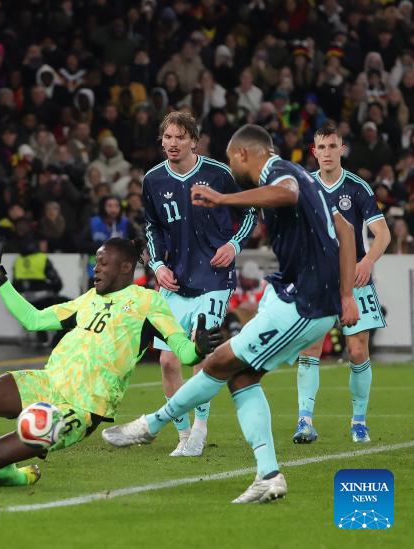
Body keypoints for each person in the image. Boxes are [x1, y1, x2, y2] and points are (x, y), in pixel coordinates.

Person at [102, 125, 360, 504]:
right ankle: (268, 475)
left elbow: (286, 193)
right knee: (241, 377)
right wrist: (347, 294)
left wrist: (224, 198)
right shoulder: (305, 176)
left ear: (242, 155)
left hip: (303, 303)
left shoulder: (278, 172)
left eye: (230, 159)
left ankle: (151, 424)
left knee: (217, 362)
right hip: (300, 297)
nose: (229, 167)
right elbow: (346, 230)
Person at [0, 231, 220, 486]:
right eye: (95, 262)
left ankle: (20, 477)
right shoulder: (86, 300)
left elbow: (183, 351)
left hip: (81, 408)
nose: (95, 269)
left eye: (103, 263)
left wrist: (199, 347)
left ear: (126, 267)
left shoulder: (148, 302)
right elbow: (33, 320)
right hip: (47, 382)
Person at [142, 111, 257, 457]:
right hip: (175, 281)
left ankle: (200, 429)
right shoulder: (153, 180)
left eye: (180, 137)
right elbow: (152, 226)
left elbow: (250, 210)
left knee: (199, 349)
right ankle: (182, 434)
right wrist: (157, 265)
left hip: (214, 278)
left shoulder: (218, 174)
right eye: (168, 137)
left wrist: (233, 245)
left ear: (194, 140)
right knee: (167, 362)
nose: (173, 143)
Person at [293, 123, 391, 445]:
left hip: (355, 278)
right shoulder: (305, 186)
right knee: (309, 348)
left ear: (341, 149)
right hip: (317, 279)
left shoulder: (357, 187)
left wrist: (367, 261)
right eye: (321, 147)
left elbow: (383, 234)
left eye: (332, 146)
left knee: (357, 350)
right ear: (314, 151)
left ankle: (359, 422)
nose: (327, 153)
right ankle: (305, 421)